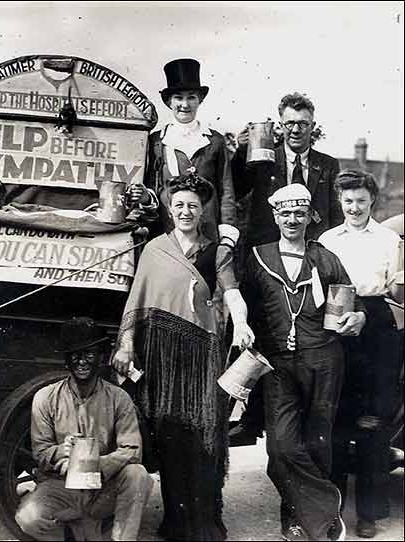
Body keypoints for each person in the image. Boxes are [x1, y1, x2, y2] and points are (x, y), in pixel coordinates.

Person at [112, 172, 255, 541]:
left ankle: (206, 522)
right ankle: (176, 522)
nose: (186, 211)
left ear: (203, 208)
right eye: (179, 205)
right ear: (169, 209)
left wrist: (241, 323)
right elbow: (137, 302)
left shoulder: (216, 251)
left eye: (193, 205)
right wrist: (126, 344)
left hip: (201, 351)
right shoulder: (154, 250)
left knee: (206, 435)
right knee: (170, 436)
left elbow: (233, 291)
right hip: (160, 353)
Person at [243, 183, 366, 541]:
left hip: (324, 358)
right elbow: (245, 309)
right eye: (285, 213)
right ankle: (328, 505)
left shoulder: (325, 257)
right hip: (278, 363)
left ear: (309, 216)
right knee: (281, 446)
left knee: (317, 443)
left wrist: (357, 318)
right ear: (275, 216)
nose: (292, 220)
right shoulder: (259, 256)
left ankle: (298, 523)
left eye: (299, 213)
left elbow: (351, 302)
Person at [230, 92, 344, 446]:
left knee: (306, 335)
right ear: (280, 126)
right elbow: (235, 186)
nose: (296, 130)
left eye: (303, 124)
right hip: (267, 258)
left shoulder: (328, 165)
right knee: (265, 331)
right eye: (289, 123)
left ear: (313, 126)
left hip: (310, 258)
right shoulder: (264, 158)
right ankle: (252, 418)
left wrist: (327, 255)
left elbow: (335, 214)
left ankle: (302, 421)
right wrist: (239, 151)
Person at [318, 170, 403, 539]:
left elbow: (395, 291)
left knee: (373, 421)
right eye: (348, 201)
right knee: (334, 418)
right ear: (340, 201)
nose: (355, 208)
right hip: (337, 323)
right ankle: (331, 510)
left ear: (373, 202)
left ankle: (369, 513)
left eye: (361, 201)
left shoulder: (388, 239)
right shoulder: (327, 239)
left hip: (377, 327)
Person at [15, 317, 153, 541]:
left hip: (103, 488)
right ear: (66, 361)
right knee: (27, 518)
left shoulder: (119, 398)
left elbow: (132, 450)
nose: (82, 362)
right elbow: (41, 452)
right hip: (61, 488)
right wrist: (63, 451)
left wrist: (96, 465)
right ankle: (77, 535)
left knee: (138, 475)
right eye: (75, 355)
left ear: (101, 358)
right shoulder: (45, 398)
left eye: (89, 354)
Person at [135, 58, 237, 241]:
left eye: (191, 97)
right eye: (178, 98)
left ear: (200, 100)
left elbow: (226, 190)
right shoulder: (157, 141)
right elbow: (151, 186)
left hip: (207, 232)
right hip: (167, 230)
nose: (185, 104)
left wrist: (227, 235)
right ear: (169, 102)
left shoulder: (215, 141)